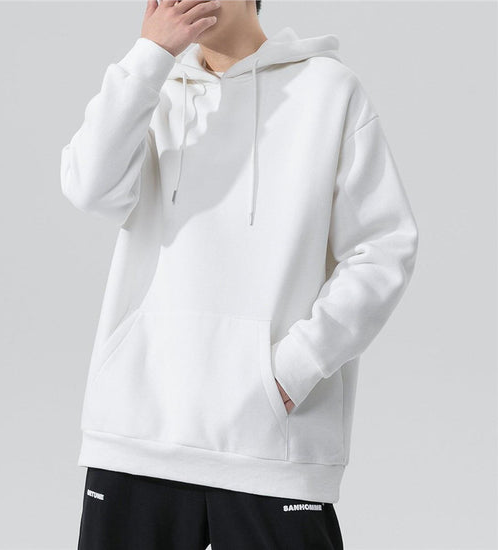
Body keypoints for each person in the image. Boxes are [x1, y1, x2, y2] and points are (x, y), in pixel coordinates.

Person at [60, 0, 419, 547]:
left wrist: (295, 370)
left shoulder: (328, 91)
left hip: (270, 446)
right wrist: (150, 55)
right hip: (136, 435)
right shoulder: (149, 89)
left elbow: (382, 249)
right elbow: (90, 188)